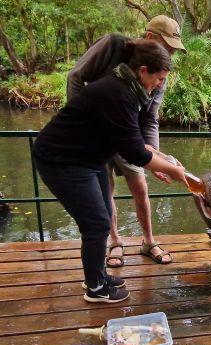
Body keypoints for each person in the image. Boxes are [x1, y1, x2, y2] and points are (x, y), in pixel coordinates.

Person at [33, 40, 186, 303]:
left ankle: (98, 275)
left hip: (90, 159)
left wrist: (167, 161)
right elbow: (136, 154)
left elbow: (136, 141)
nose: (160, 85)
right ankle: (95, 289)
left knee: (102, 216)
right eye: (159, 79)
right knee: (97, 224)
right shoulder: (119, 93)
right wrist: (175, 171)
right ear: (143, 71)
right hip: (62, 160)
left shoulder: (127, 90)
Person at [66, 15, 186, 268]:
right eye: (168, 47)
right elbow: (75, 77)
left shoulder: (158, 70)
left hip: (128, 135)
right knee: (105, 189)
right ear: (150, 37)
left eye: (173, 51)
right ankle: (116, 242)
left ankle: (148, 241)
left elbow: (150, 119)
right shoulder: (112, 45)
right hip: (95, 134)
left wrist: (157, 158)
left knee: (140, 187)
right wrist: (82, 122)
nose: (170, 55)